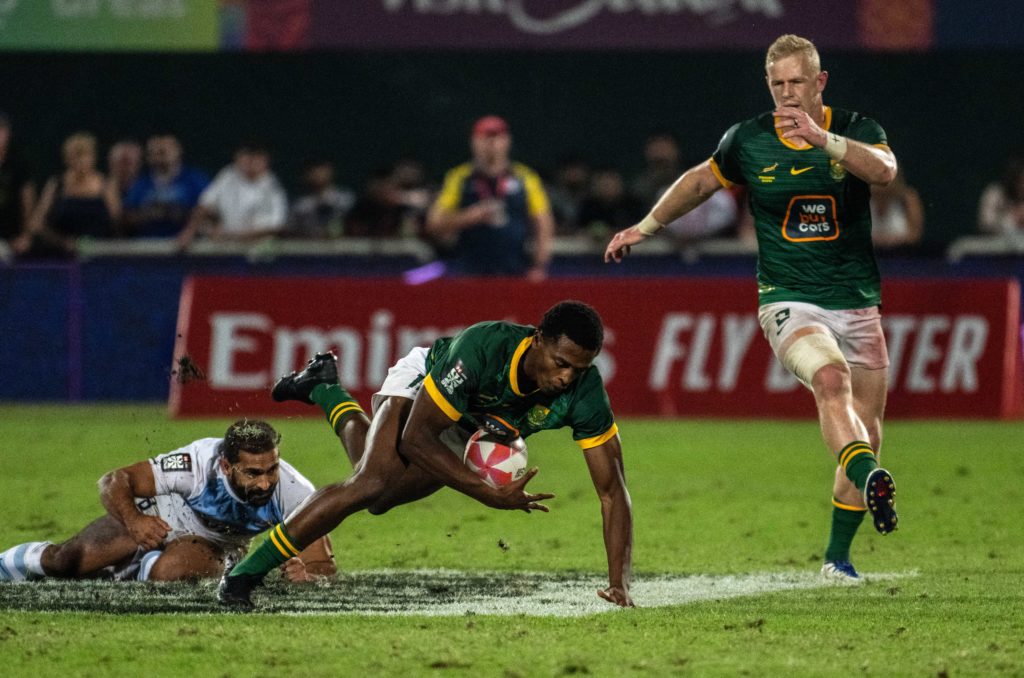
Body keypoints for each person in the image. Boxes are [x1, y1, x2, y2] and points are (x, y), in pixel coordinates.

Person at [604, 34, 898, 583]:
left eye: (797, 83)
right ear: (769, 84)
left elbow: (884, 172)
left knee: (869, 430)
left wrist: (823, 139)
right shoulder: (750, 139)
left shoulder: (856, 128)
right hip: (788, 299)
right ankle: (870, 475)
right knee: (830, 383)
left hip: (857, 302)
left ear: (820, 82)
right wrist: (644, 228)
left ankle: (837, 558)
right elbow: (698, 182)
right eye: (777, 84)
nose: (787, 94)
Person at [219, 300, 633, 610]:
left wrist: (619, 583)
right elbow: (418, 437)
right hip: (425, 386)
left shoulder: (584, 393)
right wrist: (486, 493)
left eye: (578, 369)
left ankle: (323, 387)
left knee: (379, 500)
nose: (566, 377)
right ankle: (242, 576)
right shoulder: (484, 349)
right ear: (538, 340)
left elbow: (613, 491)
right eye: (561, 363)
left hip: (466, 426)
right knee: (371, 482)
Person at [0, 420, 335, 583]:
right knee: (66, 562)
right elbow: (114, 480)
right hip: (159, 514)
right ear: (225, 466)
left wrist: (308, 577)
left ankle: (139, 565)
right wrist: (135, 521)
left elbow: (324, 568)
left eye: (272, 469)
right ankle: (8, 563)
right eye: (253, 473)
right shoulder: (196, 462)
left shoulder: (296, 492)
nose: (265, 482)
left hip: (215, 542)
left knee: (170, 575)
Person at [425, 116, 554, 280]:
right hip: (469, 272)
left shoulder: (525, 178)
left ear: (507, 141)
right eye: (485, 138)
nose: (491, 144)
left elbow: (543, 223)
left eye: (497, 138)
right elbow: (434, 223)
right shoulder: (459, 178)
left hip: (515, 270)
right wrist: (469, 217)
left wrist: (539, 265)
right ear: (474, 142)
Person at [17, 132, 120, 257]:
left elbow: (116, 221)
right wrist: (62, 242)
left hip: (101, 254)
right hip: (61, 255)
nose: (80, 161)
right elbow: (37, 223)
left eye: (84, 156)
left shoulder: (106, 185)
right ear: (66, 159)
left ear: (93, 157)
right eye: (75, 156)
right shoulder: (56, 184)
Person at [177, 141, 287, 249]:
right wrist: (189, 230)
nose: (249, 161)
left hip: (258, 253)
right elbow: (205, 204)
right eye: (245, 156)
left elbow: (269, 230)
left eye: (254, 157)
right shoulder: (229, 174)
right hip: (226, 249)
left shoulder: (273, 189)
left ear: (265, 161)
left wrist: (226, 235)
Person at [123, 133, 210, 238]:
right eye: (152, 153)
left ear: (177, 151)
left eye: (162, 152)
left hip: (186, 246)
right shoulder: (141, 183)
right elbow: (126, 217)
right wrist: (148, 214)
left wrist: (180, 214)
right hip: (147, 246)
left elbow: (210, 212)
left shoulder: (194, 180)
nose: (158, 158)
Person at [287, 158, 355, 238]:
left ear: (330, 172)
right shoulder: (301, 205)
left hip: (343, 245)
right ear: (306, 175)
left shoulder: (346, 199)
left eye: (322, 171)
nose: (319, 175)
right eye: (314, 172)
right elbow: (291, 230)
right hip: (311, 245)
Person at [0, 111, 36, 250]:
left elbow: (28, 201)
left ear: (8, 133)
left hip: (12, 238)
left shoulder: (19, 164)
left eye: (2, 130)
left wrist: (26, 236)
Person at [870, 170, 924, 252]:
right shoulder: (858, 201)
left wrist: (886, 241)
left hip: (902, 258)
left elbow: (915, 235)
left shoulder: (908, 199)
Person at [629, 132, 682, 207]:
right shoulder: (637, 191)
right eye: (656, 149)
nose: (660, 154)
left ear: (676, 152)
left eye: (665, 149)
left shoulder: (690, 184)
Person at [977, 157, 1024, 235]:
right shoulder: (996, 194)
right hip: (997, 244)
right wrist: (1013, 219)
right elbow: (986, 224)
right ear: (1015, 179)